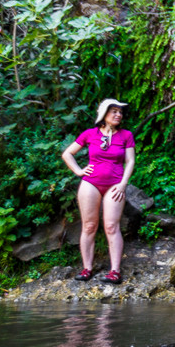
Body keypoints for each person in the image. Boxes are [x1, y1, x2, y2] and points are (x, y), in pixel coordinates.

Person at [61, 99, 135, 284]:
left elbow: (130, 161)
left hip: (115, 185)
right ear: (104, 114)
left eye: (120, 112)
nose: (118, 115)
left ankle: (115, 271)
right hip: (90, 183)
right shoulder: (90, 134)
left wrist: (123, 183)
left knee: (111, 226)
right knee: (89, 226)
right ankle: (87, 268)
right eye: (114, 111)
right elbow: (67, 153)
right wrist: (78, 170)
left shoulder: (126, 135)